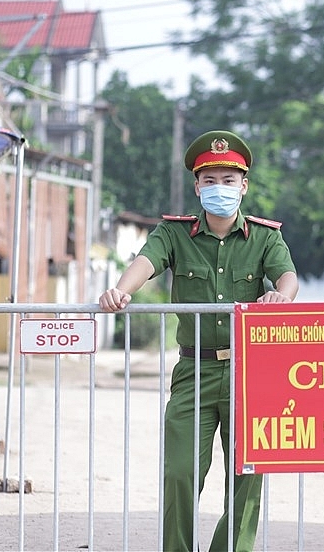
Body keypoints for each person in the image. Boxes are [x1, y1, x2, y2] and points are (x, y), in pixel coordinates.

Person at [98, 130, 298, 552]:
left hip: (250, 373)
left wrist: (280, 294)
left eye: (229, 180)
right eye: (210, 180)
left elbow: (287, 276)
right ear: (197, 187)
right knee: (180, 472)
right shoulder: (175, 234)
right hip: (195, 370)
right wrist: (122, 290)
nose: (219, 189)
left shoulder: (264, 237)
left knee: (248, 475)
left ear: (244, 186)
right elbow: (146, 261)